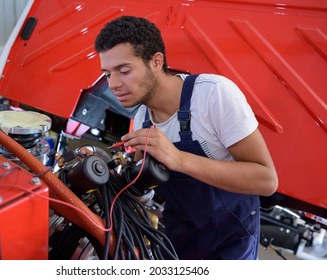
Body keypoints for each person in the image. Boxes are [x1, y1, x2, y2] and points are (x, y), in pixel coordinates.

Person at [94, 15, 278, 260]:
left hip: (231, 239)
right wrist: (111, 178)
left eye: (124, 71)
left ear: (156, 61)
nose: (113, 84)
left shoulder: (212, 94)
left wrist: (178, 159)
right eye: (107, 74)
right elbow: (144, 190)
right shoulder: (142, 118)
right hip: (180, 241)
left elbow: (266, 180)